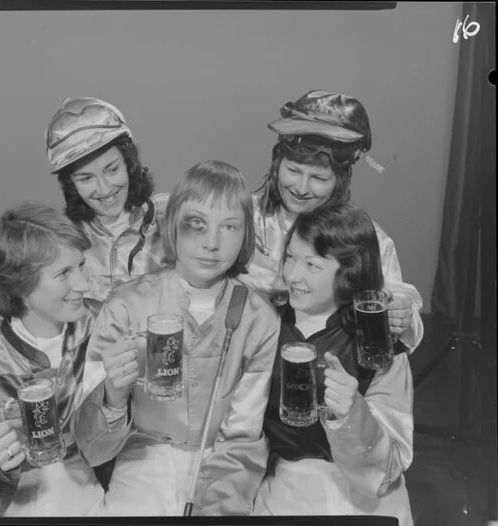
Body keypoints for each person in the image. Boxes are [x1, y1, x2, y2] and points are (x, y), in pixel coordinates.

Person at [72, 161, 281, 516]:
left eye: (229, 227)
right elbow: (92, 449)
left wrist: (213, 506)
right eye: (195, 224)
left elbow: (242, 436)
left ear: (247, 234)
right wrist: (112, 396)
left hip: (223, 466)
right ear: (171, 226)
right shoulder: (125, 305)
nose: (212, 243)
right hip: (141, 462)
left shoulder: (259, 318)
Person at [0, 97, 168, 365]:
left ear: (129, 163)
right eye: (85, 178)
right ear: (70, 183)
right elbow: (3, 290)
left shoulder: (172, 218)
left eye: (112, 169)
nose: (104, 189)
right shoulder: (61, 237)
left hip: (164, 377)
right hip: (89, 386)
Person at [252, 202, 414, 526]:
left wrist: (353, 416)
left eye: (312, 265)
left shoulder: (377, 342)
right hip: (285, 495)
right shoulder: (266, 324)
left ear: (348, 272)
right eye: (289, 258)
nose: (293, 275)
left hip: (370, 504)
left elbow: (393, 461)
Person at [0, 202, 106, 517]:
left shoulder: (101, 325)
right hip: (6, 506)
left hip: (83, 499)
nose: (85, 284)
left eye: (82, 266)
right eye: (64, 273)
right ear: (20, 286)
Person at [240, 90, 423, 352]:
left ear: (340, 181)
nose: (301, 188)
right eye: (293, 171)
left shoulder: (363, 236)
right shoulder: (243, 215)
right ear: (277, 164)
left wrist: (401, 312)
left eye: (319, 178)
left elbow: (398, 299)